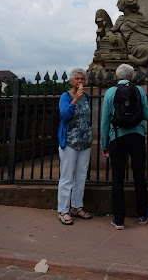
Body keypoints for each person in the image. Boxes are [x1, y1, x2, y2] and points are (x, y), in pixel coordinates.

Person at [101, 63, 148, 229]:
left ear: (117, 76)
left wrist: (104, 143)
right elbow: (147, 115)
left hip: (117, 137)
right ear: (131, 76)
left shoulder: (110, 92)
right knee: (139, 175)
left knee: (117, 178)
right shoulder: (139, 90)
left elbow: (105, 121)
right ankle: (143, 214)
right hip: (136, 137)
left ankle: (119, 219)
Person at [57, 68, 93, 225]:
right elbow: (64, 115)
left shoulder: (87, 97)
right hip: (70, 142)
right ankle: (63, 210)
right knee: (67, 177)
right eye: (77, 79)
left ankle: (77, 207)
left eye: (82, 79)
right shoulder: (65, 97)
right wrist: (75, 100)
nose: (80, 82)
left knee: (81, 176)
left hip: (85, 142)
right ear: (71, 81)